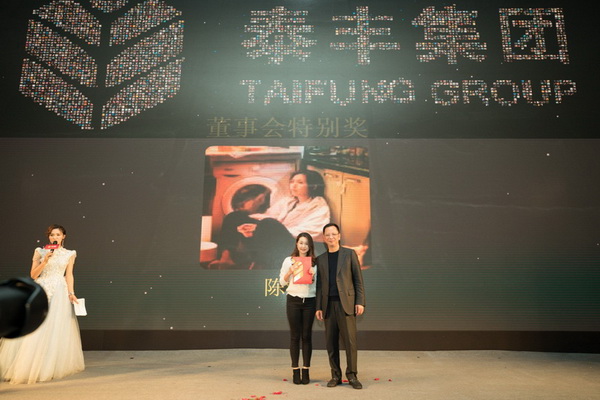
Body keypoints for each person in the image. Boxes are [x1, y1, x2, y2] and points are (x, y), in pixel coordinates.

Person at [0, 224, 84, 384]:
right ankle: (28, 366)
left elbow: (69, 275)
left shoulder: (69, 254)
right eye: (52, 235)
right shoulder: (40, 251)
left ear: (63, 236)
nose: (54, 237)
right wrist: (44, 261)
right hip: (42, 289)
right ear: (48, 237)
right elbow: (33, 275)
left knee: (56, 327)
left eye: (58, 235)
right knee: (37, 326)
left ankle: (50, 365)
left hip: (59, 291)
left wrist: (71, 292)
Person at [211, 170, 330, 269]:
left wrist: (261, 228)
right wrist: (253, 224)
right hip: (273, 236)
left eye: (300, 182)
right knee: (235, 216)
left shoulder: (318, 205)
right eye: (292, 182)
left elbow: (312, 231)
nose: (293, 186)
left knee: (268, 224)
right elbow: (269, 215)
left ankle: (258, 264)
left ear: (313, 186)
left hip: (294, 246)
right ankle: (227, 257)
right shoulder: (289, 201)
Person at [315, 223, 365, 390]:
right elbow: (319, 286)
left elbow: (358, 280)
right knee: (331, 344)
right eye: (327, 235)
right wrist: (318, 307)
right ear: (324, 238)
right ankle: (335, 375)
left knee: (350, 342)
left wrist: (360, 301)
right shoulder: (321, 259)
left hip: (347, 305)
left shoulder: (349, 254)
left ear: (339, 236)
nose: (330, 237)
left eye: (333, 234)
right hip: (328, 306)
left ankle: (352, 375)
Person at [279, 232, 317, 385]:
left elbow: (318, 285)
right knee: (295, 336)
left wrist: (313, 276)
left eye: (306, 243)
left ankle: (306, 370)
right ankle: (295, 370)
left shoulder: (315, 262)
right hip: (293, 301)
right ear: (296, 243)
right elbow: (281, 282)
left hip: (310, 302)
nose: (303, 246)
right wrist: (290, 271)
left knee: (307, 336)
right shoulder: (288, 261)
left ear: (310, 246)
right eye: (301, 243)